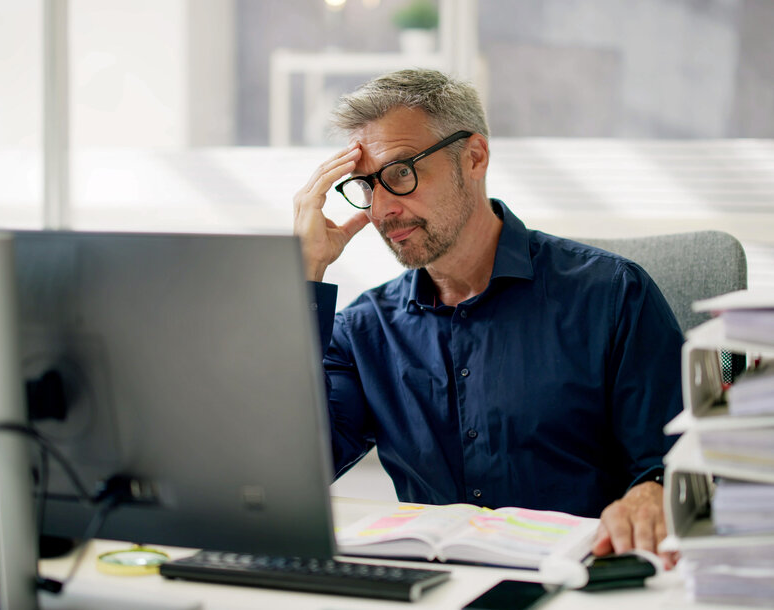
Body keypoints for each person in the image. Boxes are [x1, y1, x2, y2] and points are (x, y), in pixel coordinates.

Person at [293, 69, 683, 566]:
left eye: (400, 173)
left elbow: (678, 462)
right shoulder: (365, 330)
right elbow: (292, 470)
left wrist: (653, 490)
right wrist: (304, 273)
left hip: (579, 580)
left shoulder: (612, 294)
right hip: (435, 585)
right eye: (365, 187)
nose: (382, 209)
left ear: (474, 157)